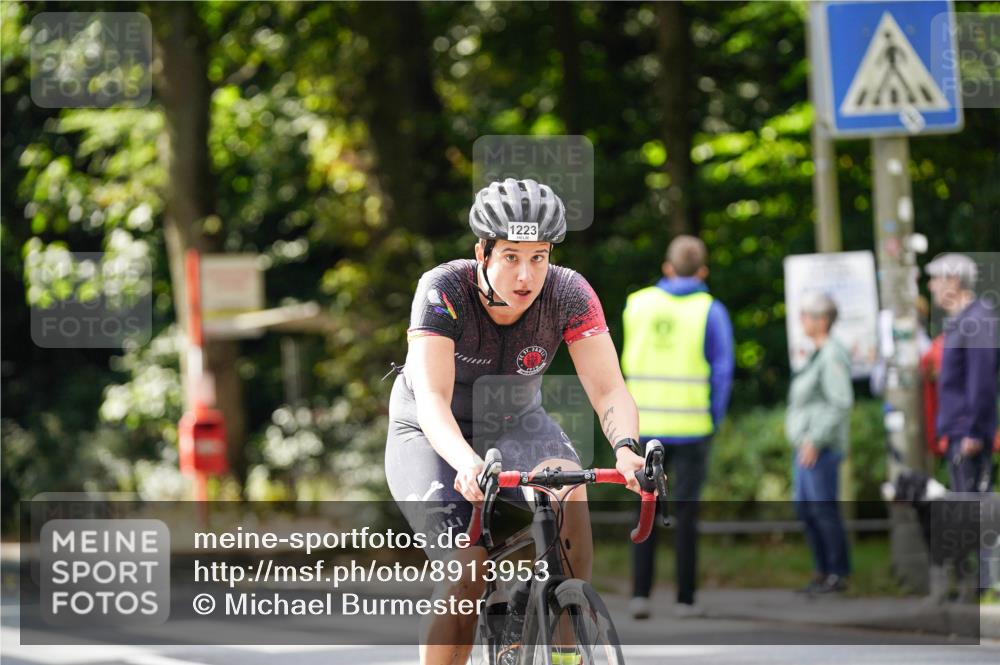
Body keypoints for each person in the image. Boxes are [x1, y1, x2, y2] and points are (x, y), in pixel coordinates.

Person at [384, 178, 646, 665]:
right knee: (467, 571)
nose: (526, 276)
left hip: (515, 421)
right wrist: (465, 462)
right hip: (431, 431)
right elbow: (433, 402)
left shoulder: (568, 293)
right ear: (482, 252)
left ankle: (567, 644)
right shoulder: (443, 289)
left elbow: (609, 387)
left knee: (569, 489)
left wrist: (627, 449)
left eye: (539, 257)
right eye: (511, 257)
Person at [621, 235, 734, 619]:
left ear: (667, 268)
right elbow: (722, 372)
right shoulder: (711, 310)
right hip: (691, 427)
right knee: (686, 514)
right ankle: (685, 599)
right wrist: (713, 418)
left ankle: (640, 595)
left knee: (645, 507)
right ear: (702, 271)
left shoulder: (636, 305)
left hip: (642, 427)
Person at [786, 292, 853, 594]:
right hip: (806, 447)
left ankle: (837, 574)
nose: (801, 320)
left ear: (822, 320)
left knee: (823, 509)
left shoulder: (831, 355)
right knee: (807, 509)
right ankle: (822, 571)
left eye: (806, 315)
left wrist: (815, 440)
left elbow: (839, 403)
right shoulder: (817, 353)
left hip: (819, 448)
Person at [926, 253, 998, 493]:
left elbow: (982, 381)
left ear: (954, 281)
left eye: (935, 278)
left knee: (975, 521)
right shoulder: (964, 321)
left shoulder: (976, 321)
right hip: (962, 432)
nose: (930, 285)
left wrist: (975, 432)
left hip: (968, 436)